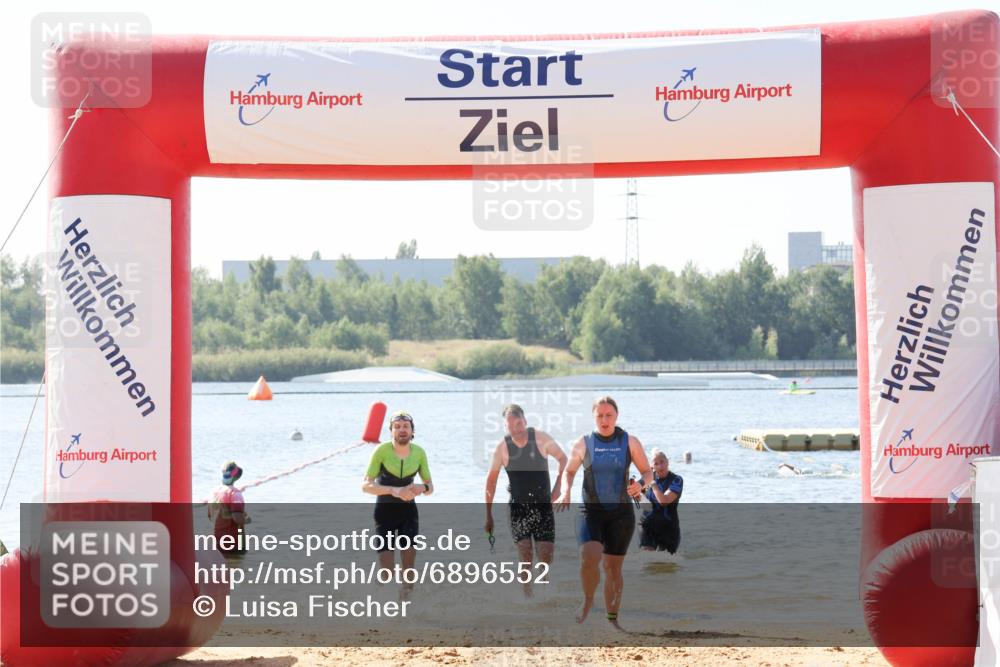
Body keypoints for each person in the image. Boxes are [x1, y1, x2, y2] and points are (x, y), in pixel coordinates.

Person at [556, 396, 653, 628]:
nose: (604, 419)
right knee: (589, 557)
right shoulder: (584, 443)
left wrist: (640, 484)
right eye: (599, 415)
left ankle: (612, 619)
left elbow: (648, 472)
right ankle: (588, 601)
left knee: (612, 568)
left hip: (621, 514)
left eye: (609, 415)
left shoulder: (630, 442)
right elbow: (568, 472)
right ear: (593, 417)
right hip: (590, 511)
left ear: (616, 416)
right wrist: (565, 491)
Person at [484, 404, 568, 596]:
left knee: (546, 555)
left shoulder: (540, 438)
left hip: (543, 507)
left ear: (525, 420)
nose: (515, 428)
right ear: (505, 426)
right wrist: (488, 516)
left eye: (519, 422)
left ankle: (545, 594)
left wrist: (557, 489)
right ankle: (527, 596)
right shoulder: (502, 448)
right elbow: (490, 482)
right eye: (510, 425)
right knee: (526, 555)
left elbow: (564, 460)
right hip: (518, 509)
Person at [362, 411, 433, 599]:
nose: (402, 430)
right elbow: (366, 486)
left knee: (408, 570)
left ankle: (405, 610)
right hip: (384, 513)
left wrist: (422, 486)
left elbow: (430, 487)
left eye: (406, 426)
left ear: (412, 430)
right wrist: (395, 491)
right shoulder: (382, 451)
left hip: (408, 513)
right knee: (387, 572)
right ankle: (373, 600)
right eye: (397, 427)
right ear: (391, 431)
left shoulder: (419, 453)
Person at [639, 449, 683, 553]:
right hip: (648, 525)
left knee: (666, 563)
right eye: (656, 463)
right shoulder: (645, 481)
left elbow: (664, 501)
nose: (660, 466)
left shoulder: (676, 480)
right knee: (648, 559)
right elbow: (644, 505)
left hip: (668, 527)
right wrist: (637, 494)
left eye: (662, 462)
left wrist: (653, 484)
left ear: (667, 462)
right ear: (652, 467)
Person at [208, 461, 250, 556]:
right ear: (236, 477)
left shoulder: (214, 492)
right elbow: (237, 518)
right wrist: (247, 520)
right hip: (233, 545)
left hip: (216, 544)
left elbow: (210, 516)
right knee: (236, 566)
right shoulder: (235, 494)